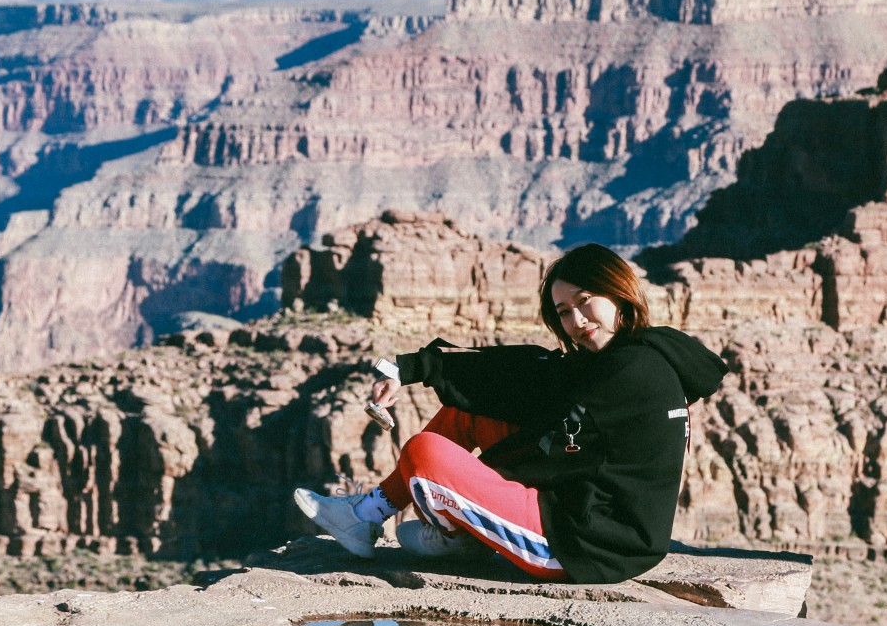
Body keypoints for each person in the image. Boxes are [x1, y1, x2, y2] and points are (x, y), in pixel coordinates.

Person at [293, 243, 726, 584]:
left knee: (425, 452)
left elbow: (548, 452)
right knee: (466, 415)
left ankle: (458, 536)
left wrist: (473, 485)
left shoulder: (630, 371)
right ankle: (366, 515)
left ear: (619, 290)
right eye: (564, 313)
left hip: (586, 545)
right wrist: (408, 368)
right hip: (578, 512)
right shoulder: (630, 355)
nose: (577, 320)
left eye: (585, 300)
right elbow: (520, 373)